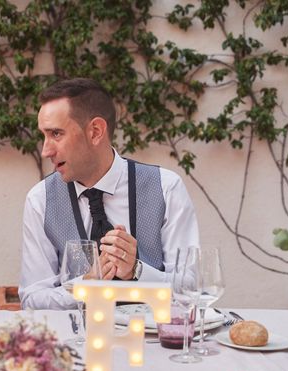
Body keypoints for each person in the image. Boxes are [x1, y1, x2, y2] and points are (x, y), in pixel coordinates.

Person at [19, 78, 199, 310]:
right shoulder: (40, 200)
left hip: (153, 343)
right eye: (44, 135)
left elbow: (192, 289)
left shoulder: (166, 188)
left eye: (56, 134)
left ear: (95, 131)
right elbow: (32, 300)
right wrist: (84, 286)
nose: (45, 150)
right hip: (75, 343)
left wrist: (138, 270)